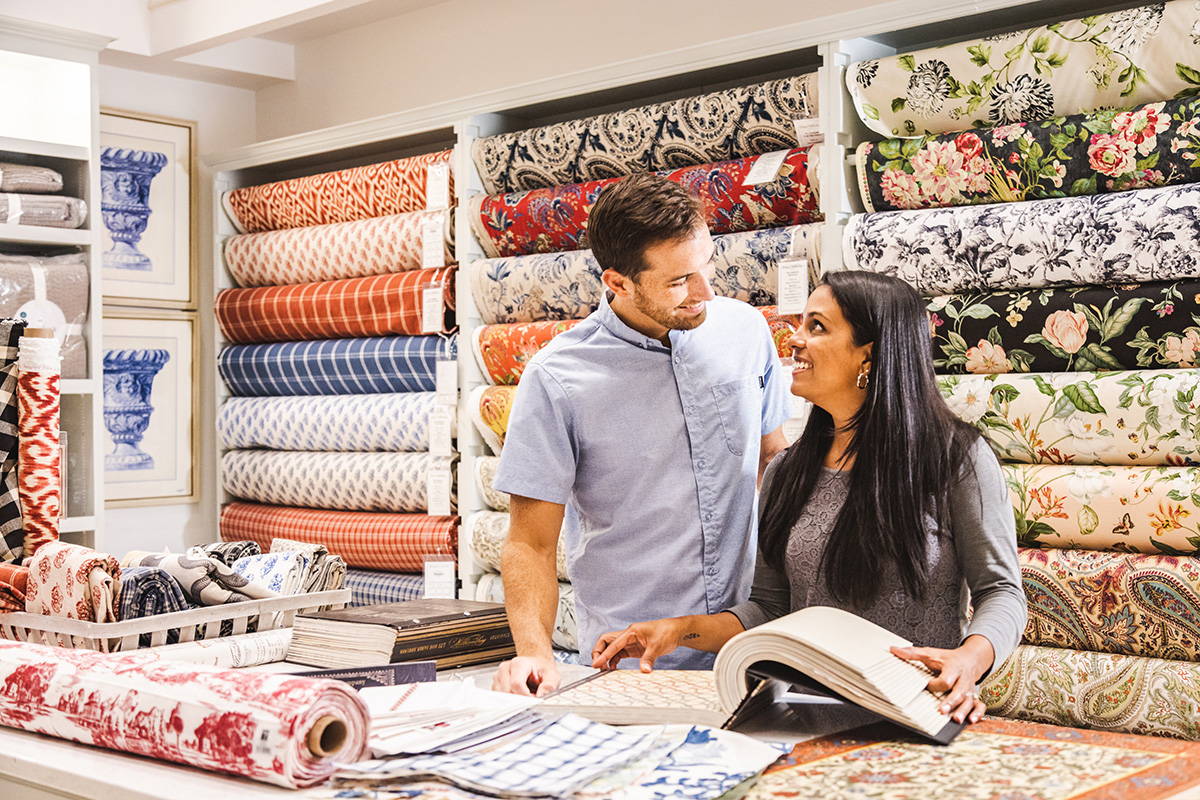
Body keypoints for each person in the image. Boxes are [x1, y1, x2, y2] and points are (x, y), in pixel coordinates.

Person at [591, 270, 1027, 725]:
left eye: (816, 326)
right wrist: (677, 631)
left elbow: (1001, 592)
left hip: (914, 712)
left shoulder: (955, 459)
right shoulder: (786, 471)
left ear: (870, 355)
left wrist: (969, 660)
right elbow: (769, 608)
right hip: (801, 716)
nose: (794, 340)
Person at [490, 173, 790, 695]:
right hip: (630, 661)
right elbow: (530, 543)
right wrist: (533, 654)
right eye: (679, 282)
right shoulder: (558, 377)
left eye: (706, 266)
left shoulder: (745, 332)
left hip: (750, 643)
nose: (706, 293)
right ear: (618, 282)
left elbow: (774, 463)